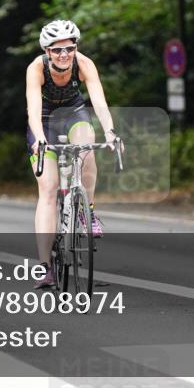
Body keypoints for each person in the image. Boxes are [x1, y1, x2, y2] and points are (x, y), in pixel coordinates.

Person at [25, 20, 118, 289]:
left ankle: (87, 212)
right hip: (44, 121)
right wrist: (39, 139)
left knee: (87, 149)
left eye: (69, 48)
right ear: (47, 51)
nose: (64, 54)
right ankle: (45, 267)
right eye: (57, 50)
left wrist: (110, 132)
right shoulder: (36, 68)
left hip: (74, 115)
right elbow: (33, 109)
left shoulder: (84, 63)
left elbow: (99, 101)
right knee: (48, 188)